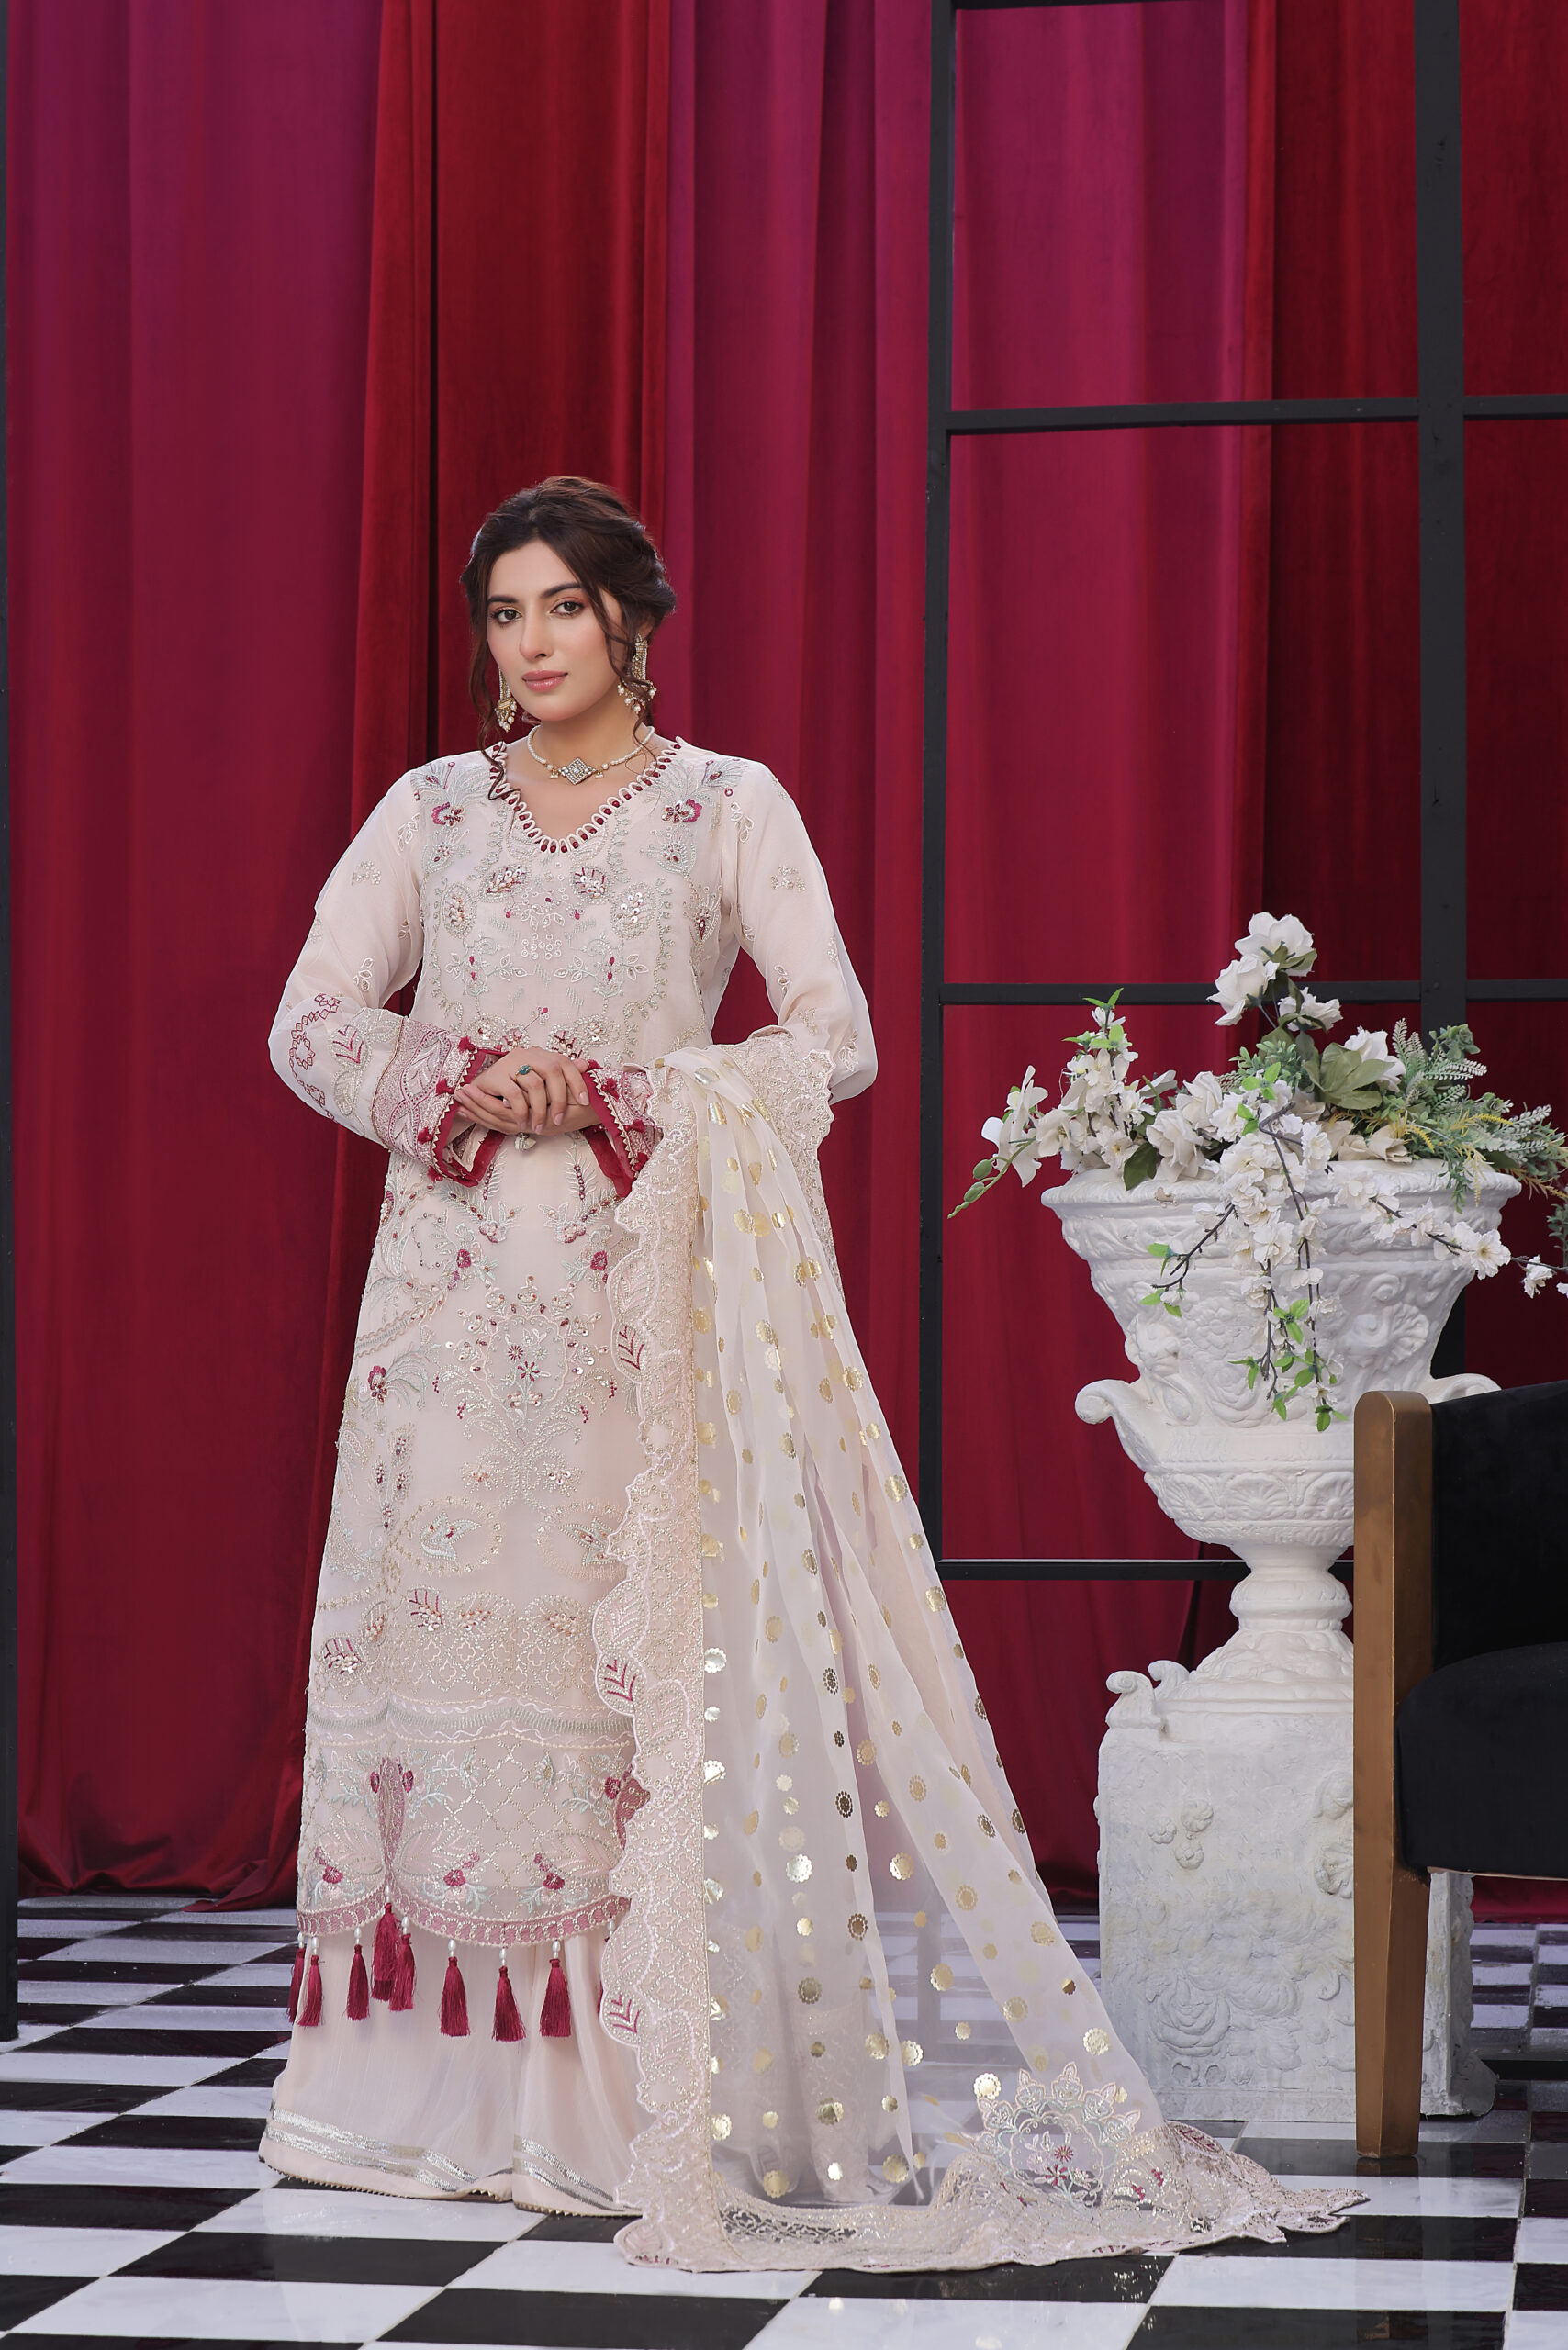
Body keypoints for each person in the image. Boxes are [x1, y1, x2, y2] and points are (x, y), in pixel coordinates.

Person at [261, 476, 1359, 2268]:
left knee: (622, 1683)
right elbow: (309, 1019)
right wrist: (456, 1077)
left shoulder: (723, 807)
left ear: (633, 618)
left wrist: (622, 1092)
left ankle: (639, 2107)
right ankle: (413, 2106)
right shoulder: (430, 813)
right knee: (453, 1668)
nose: (531, 644)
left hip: (642, 1307)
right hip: (442, 1337)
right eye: (505, 615)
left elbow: (832, 1037)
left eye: (562, 607)